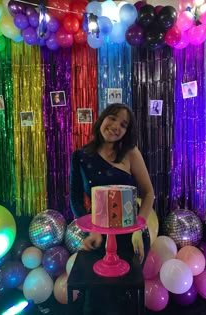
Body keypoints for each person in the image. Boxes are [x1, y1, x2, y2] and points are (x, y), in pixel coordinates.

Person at [69, 103, 154, 315]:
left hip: (130, 236)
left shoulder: (131, 153)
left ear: (127, 131)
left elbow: (149, 194)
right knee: (96, 299)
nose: (116, 126)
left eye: (123, 124)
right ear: (102, 119)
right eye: (113, 118)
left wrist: (138, 229)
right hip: (98, 237)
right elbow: (76, 200)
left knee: (125, 300)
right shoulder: (81, 156)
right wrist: (93, 231)